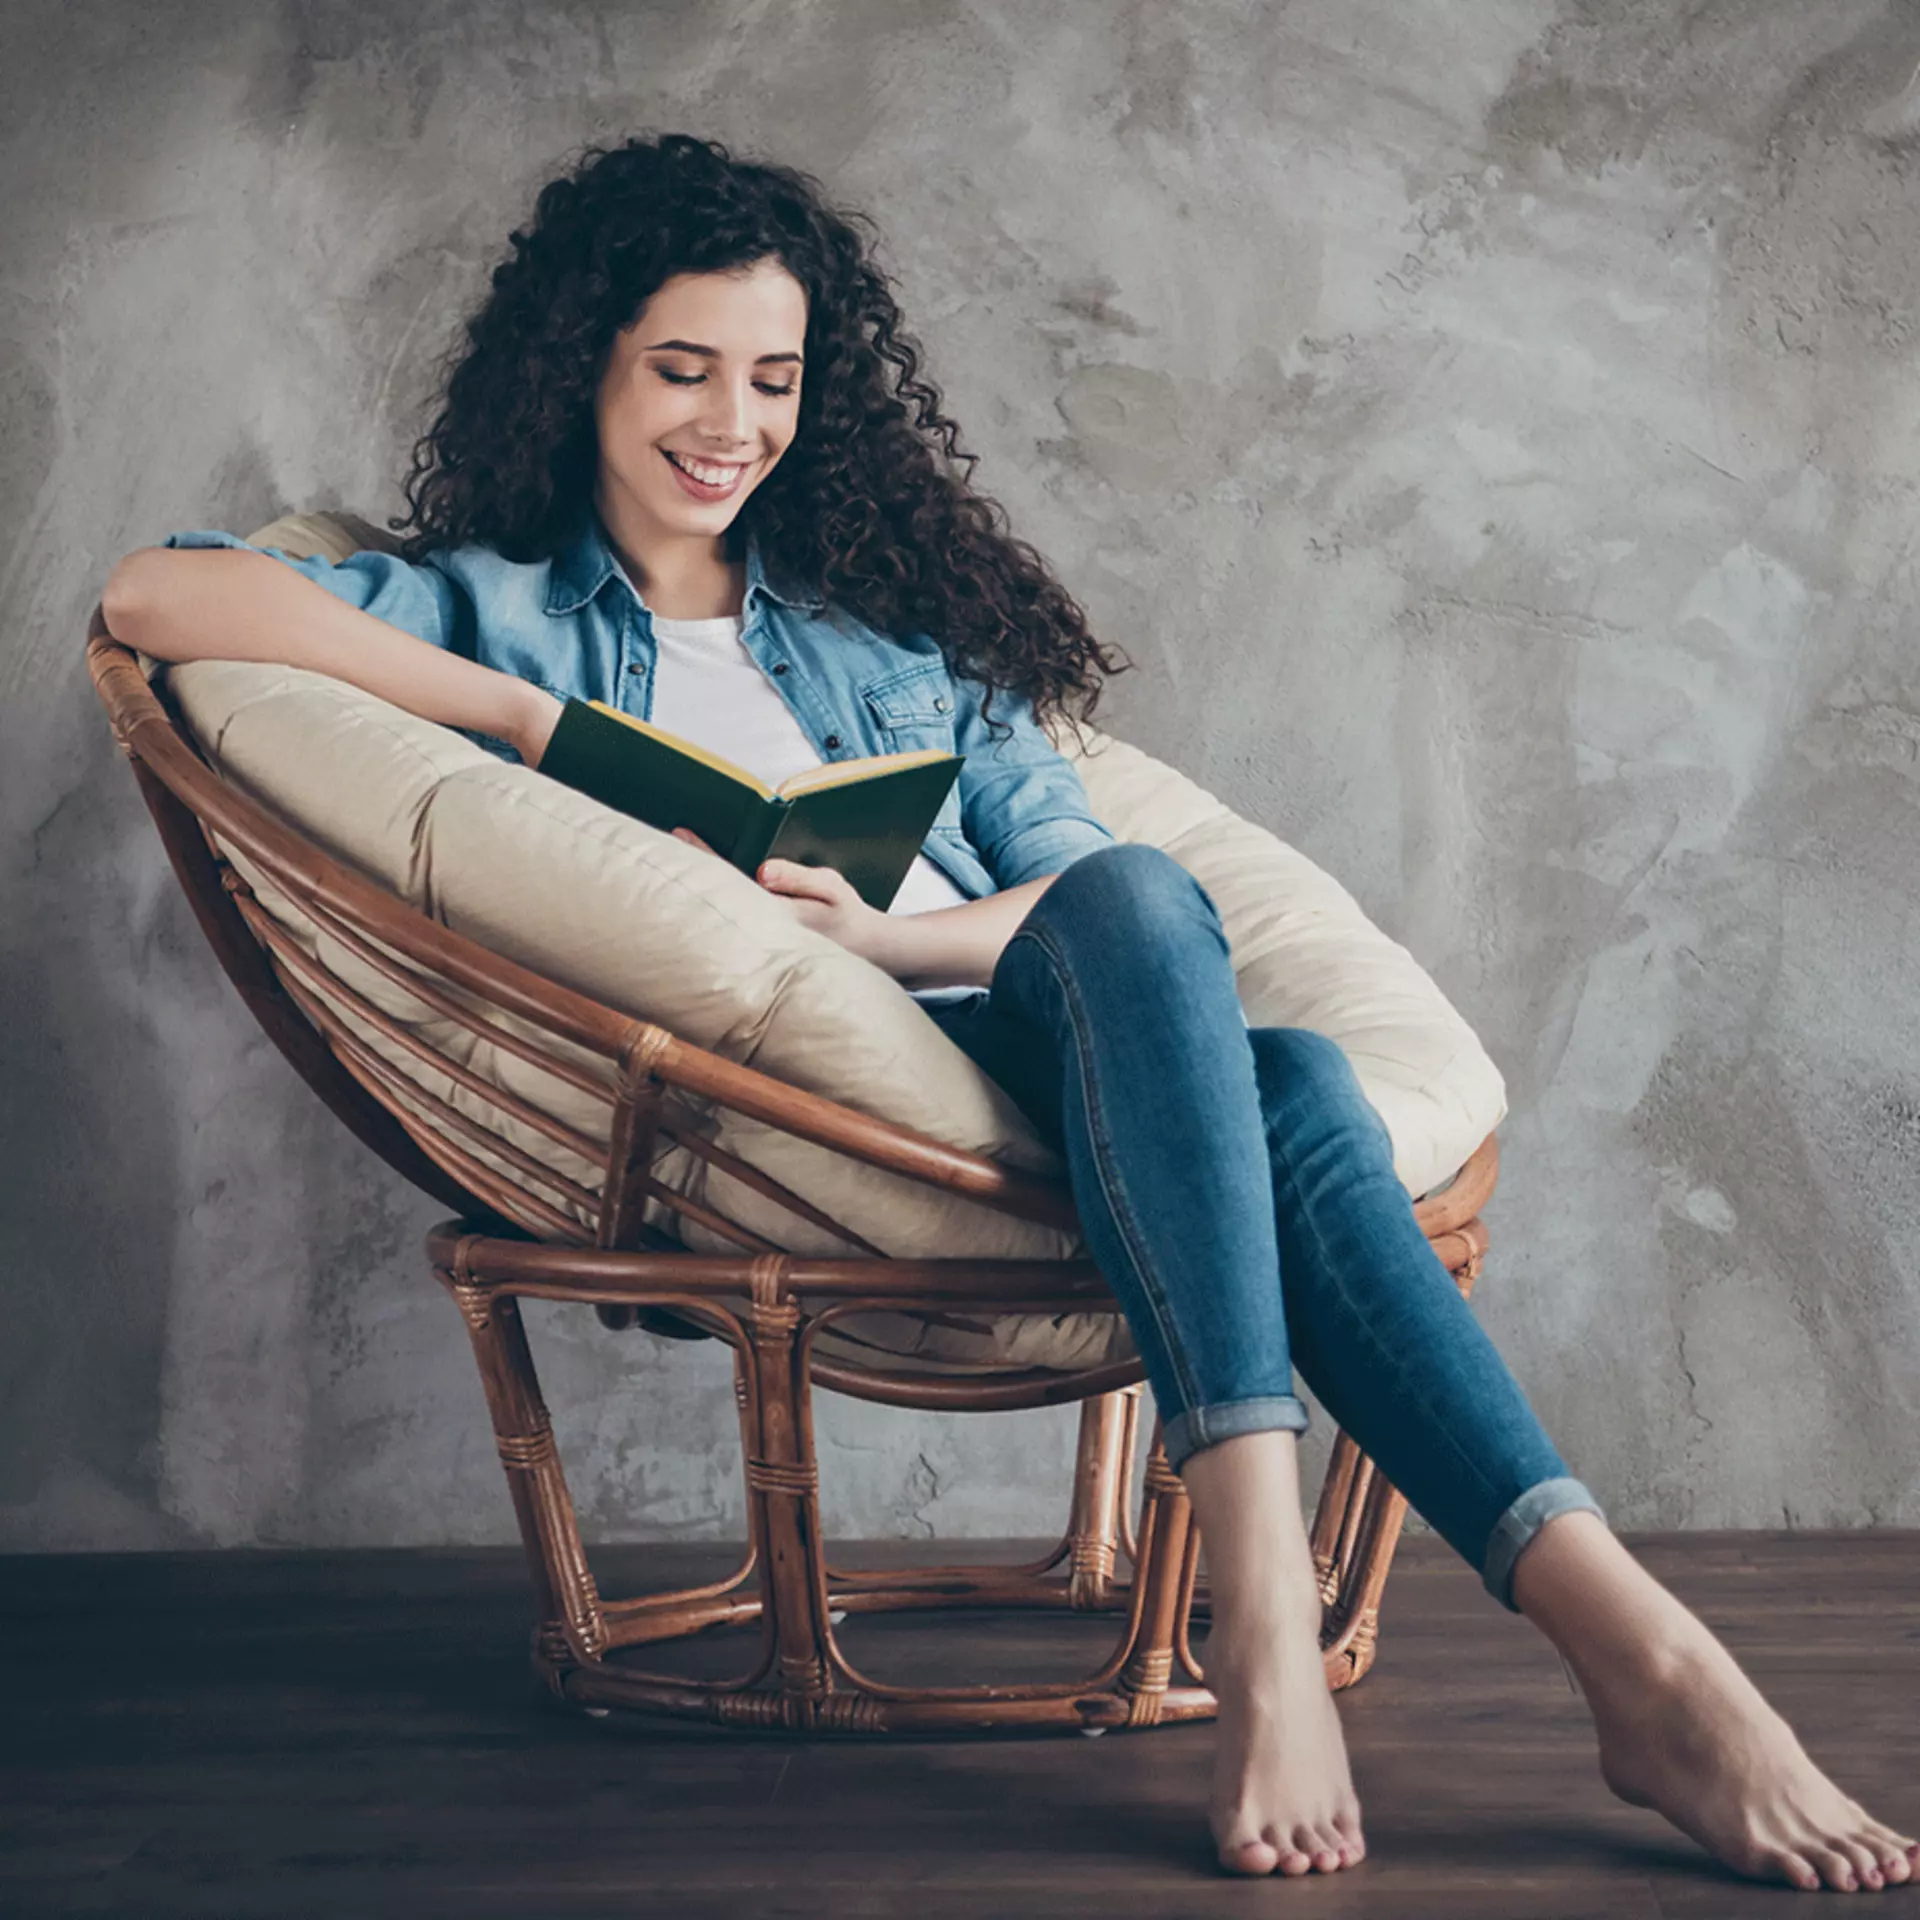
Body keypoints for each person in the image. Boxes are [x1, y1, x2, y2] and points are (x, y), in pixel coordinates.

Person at [102, 131, 1915, 1893]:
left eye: (774, 380)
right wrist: (523, 726)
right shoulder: (495, 616)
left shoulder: (888, 649)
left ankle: (1368, 1629)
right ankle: (1623, 1660)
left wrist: (879, 939)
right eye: (680, 370)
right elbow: (159, 594)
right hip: (818, 1114)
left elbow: (1097, 893)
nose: (730, 425)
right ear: (582, 366)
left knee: (1145, 911)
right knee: (1290, 1090)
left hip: (1017, 1027)